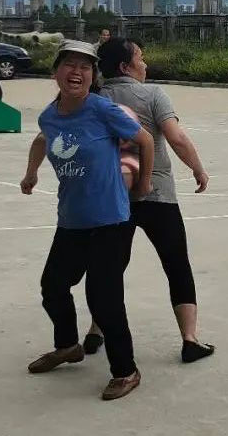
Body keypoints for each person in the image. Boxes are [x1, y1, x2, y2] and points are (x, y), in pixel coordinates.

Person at [20, 40, 154, 401]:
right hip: (72, 219)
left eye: (85, 67)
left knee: (104, 298)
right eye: (69, 65)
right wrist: (31, 173)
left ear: (93, 76)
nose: (76, 72)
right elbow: (42, 139)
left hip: (110, 220)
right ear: (56, 72)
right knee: (53, 287)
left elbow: (145, 140)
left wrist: (143, 184)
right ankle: (68, 346)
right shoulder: (50, 115)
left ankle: (126, 370)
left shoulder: (102, 109)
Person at [82, 37, 216, 363]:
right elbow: (176, 137)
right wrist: (198, 168)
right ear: (126, 66)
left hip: (113, 196)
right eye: (140, 58)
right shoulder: (153, 94)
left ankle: (96, 330)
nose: (146, 64)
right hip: (158, 194)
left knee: (109, 267)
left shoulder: (94, 99)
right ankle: (189, 339)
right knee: (176, 263)